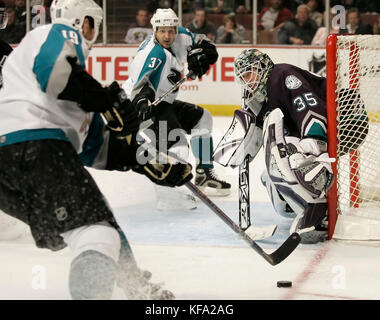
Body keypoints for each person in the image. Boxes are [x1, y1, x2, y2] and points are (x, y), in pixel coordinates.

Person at [0, 0, 193, 300]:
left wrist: (151, 164)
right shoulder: (57, 35)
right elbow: (54, 74)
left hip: (9, 173)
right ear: (85, 22)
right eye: (93, 24)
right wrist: (106, 100)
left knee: (97, 223)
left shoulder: (68, 90)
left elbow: (98, 147)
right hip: (34, 149)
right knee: (96, 233)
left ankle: (133, 283)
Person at [221, 48, 341, 243]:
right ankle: (305, 208)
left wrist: (313, 140)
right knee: (269, 176)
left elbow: (308, 105)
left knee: (286, 154)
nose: (247, 81)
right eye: (242, 77)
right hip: (321, 127)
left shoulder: (281, 75)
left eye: (249, 73)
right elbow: (260, 132)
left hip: (342, 119)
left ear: (262, 67)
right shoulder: (264, 96)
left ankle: (318, 211)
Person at [122, 8, 231, 211]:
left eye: (170, 30)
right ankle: (169, 192)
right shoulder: (151, 54)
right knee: (177, 143)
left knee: (203, 119)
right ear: (154, 30)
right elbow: (140, 85)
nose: (167, 36)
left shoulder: (181, 35)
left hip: (165, 102)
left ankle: (203, 174)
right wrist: (142, 102)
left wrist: (207, 53)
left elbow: (202, 41)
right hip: (143, 105)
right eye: (162, 31)